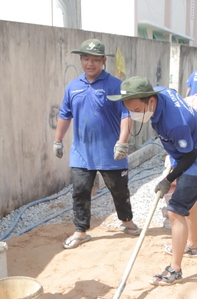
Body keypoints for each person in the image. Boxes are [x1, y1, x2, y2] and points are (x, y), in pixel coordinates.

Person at [107, 77, 197, 285]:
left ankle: (175, 270)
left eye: (137, 108)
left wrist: (168, 179)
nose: (134, 114)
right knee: (188, 203)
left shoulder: (174, 124)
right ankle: (192, 245)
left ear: (151, 101)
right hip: (186, 153)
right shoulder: (160, 92)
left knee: (175, 210)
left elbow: (189, 156)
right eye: (130, 109)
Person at [53, 38, 139, 250]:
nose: (89, 64)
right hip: (81, 153)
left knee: (119, 190)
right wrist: (58, 140)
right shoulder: (73, 87)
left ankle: (127, 221)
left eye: (94, 60)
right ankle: (81, 231)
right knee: (80, 191)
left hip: (111, 153)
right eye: (85, 59)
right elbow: (65, 115)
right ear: (81, 60)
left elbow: (126, 115)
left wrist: (122, 142)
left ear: (103, 61)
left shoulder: (115, 85)